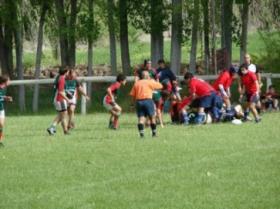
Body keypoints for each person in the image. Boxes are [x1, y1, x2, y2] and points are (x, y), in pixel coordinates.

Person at [130, 71, 163, 138]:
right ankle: (154, 134)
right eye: (148, 75)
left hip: (139, 102)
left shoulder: (137, 84)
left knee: (141, 119)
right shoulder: (150, 82)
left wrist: (132, 104)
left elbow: (133, 95)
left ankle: (142, 135)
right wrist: (155, 81)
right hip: (148, 101)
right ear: (147, 76)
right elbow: (160, 86)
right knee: (152, 118)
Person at [47, 67, 70, 135]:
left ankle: (64, 130)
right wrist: (67, 99)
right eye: (68, 72)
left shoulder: (59, 77)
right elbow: (60, 92)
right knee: (63, 115)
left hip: (57, 99)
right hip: (60, 100)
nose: (68, 73)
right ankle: (53, 128)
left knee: (61, 115)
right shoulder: (62, 79)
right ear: (66, 72)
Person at [0, 75, 13, 146]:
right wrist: (4, 98)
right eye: (9, 80)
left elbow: (1, 96)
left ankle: (0, 141)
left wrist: (6, 98)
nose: (10, 81)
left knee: (1, 125)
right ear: (4, 82)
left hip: (1, 109)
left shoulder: (4, 88)